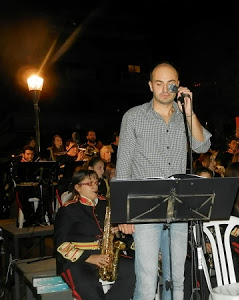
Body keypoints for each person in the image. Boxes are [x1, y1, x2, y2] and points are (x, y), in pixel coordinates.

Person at [116, 61, 211, 300]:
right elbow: (123, 165)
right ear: (150, 85)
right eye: (159, 83)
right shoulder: (134, 116)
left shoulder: (184, 117)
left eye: (171, 84)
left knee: (175, 281)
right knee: (147, 283)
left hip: (178, 208)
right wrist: (122, 214)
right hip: (144, 207)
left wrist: (189, 112)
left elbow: (202, 146)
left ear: (178, 86)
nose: (165, 89)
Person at [54, 169, 135, 300]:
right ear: (77, 187)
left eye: (96, 182)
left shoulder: (106, 204)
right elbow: (60, 245)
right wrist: (90, 258)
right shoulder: (68, 210)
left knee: (133, 270)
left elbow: (124, 237)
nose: (95, 186)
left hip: (107, 256)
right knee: (89, 288)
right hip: (78, 261)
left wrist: (117, 231)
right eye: (89, 183)